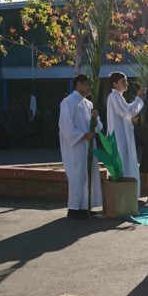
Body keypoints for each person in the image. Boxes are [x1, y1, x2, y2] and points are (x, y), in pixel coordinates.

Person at [59, 74, 103, 219]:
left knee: (88, 175)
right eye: (88, 84)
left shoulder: (88, 104)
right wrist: (83, 135)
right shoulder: (68, 101)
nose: (90, 88)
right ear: (79, 84)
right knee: (77, 176)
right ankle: (74, 208)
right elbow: (65, 125)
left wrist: (95, 117)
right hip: (76, 146)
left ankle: (85, 206)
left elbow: (98, 128)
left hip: (88, 145)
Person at [105, 72, 146, 189]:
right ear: (115, 84)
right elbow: (128, 112)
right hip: (119, 137)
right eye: (123, 81)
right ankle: (123, 192)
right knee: (122, 164)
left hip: (122, 136)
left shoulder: (118, 97)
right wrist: (139, 97)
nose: (126, 83)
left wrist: (131, 121)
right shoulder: (114, 96)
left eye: (126, 81)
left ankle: (128, 192)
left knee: (126, 164)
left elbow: (126, 114)